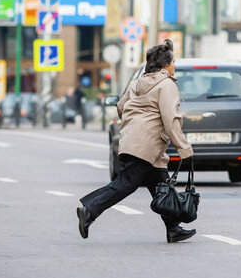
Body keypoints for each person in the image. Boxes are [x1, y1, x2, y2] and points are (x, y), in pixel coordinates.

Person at [76, 39, 195, 243]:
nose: (175, 65)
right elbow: (171, 119)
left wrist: (137, 121)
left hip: (138, 142)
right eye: (173, 61)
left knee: (161, 186)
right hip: (146, 145)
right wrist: (184, 148)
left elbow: (121, 107)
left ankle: (173, 228)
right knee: (126, 184)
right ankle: (90, 210)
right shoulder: (167, 85)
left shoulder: (137, 83)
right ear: (165, 65)